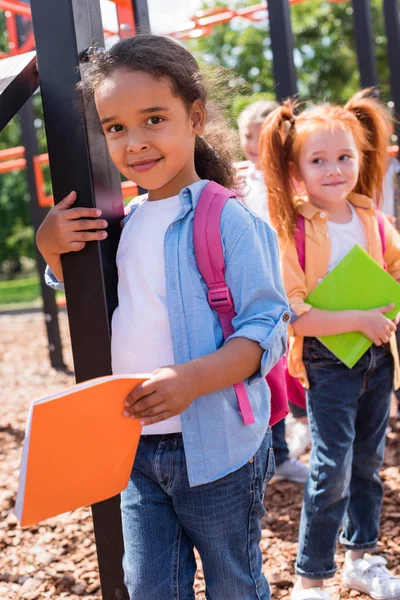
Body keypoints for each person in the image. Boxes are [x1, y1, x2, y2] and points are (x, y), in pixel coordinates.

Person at [36, 35, 290, 600]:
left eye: (154, 119)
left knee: (233, 580)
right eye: (116, 127)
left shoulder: (228, 219)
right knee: (147, 584)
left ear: (194, 117)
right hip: (134, 445)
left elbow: (268, 328)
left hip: (218, 445)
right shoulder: (122, 221)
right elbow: (89, 293)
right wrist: (52, 251)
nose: (135, 142)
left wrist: (193, 378)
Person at [260, 92, 400, 600]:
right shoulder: (292, 229)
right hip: (329, 361)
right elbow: (296, 314)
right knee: (332, 467)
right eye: (317, 160)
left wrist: (388, 312)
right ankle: (311, 575)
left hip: (378, 355)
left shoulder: (371, 219)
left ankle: (361, 558)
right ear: (296, 170)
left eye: (344, 157)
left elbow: (394, 272)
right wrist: (359, 318)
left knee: (369, 462)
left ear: (362, 159)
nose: (334, 169)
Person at [237, 99, 310, 481]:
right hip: (257, 287)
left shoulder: (294, 183)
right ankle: (276, 452)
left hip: (289, 286)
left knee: (290, 368)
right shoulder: (240, 180)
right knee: (268, 371)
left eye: (260, 136)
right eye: (247, 135)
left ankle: (292, 435)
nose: (252, 143)